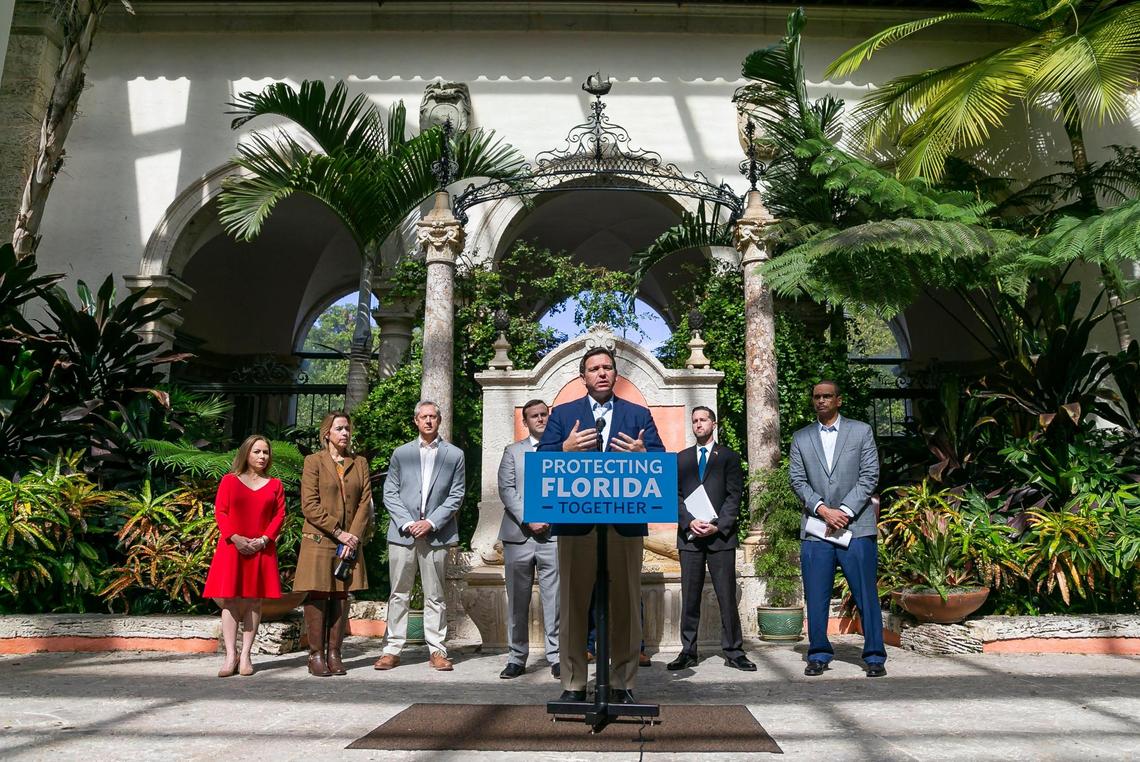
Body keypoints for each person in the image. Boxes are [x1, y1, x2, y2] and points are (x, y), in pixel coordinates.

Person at [538, 346, 664, 705]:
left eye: (607, 367)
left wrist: (643, 455)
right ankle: (574, 684)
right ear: (583, 377)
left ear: (616, 374)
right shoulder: (562, 415)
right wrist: (563, 450)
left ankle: (623, 684)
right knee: (574, 604)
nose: (602, 373)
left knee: (625, 604)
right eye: (594, 368)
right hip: (576, 525)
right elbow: (541, 462)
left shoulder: (638, 414)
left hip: (624, 525)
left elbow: (660, 460)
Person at [789, 380, 885, 678]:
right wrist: (823, 510)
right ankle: (818, 653)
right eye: (817, 396)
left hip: (856, 526)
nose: (821, 401)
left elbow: (870, 474)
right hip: (817, 528)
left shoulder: (861, 431)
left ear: (839, 400)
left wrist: (843, 511)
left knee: (865, 593)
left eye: (827, 396)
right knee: (815, 595)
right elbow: (797, 479)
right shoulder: (801, 437)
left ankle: (873, 656)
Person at [375, 400, 465, 672]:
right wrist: (407, 523)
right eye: (423, 417)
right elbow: (389, 492)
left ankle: (437, 650)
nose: (428, 421)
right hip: (403, 534)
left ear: (439, 420)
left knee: (435, 594)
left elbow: (456, 494)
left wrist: (431, 522)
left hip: (436, 534)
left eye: (433, 417)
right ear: (416, 421)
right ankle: (392, 649)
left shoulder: (454, 455)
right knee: (398, 593)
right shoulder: (401, 453)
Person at [668, 407, 755, 672]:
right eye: (694, 421)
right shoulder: (681, 459)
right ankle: (688, 651)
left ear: (713, 424)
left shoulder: (728, 457)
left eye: (703, 420)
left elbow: (734, 496)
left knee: (726, 595)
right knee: (690, 596)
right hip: (690, 537)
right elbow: (674, 496)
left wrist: (718, 526)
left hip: (721, 538)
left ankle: (734, 651)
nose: (698, 424)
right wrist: (688, 521)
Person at [294, 411, 373, 677]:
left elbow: (365, 502)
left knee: (341, 594)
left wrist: (353, 536)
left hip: (349, 540)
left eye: (347, 429)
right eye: (339, 428)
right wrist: (338, 532)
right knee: (318, 593)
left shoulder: (359, 462)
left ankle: (334, 653)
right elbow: (309, 505)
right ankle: (315, 655)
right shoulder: (313, 461)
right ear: (326, 432)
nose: (345, 433)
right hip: (320, 538)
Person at [203, 435, 286, 677]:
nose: (262, 456)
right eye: (257, 451)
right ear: (246, 454)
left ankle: (247, 655)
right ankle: (230, 655)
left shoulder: (275, 485)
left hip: (261, 548)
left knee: (254, 601)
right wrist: (235, 538)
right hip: (232, 548)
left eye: (266, 452)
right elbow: (221, 511)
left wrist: (263, 540)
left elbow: (279, 516)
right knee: (229, 599)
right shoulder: (229, 481)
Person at [497, 399, 560, 679]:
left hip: (553, 535)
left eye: (544, 415)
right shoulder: (513, 451)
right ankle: (516, 657)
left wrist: (547, 518)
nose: (540, 419)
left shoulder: (561, 451)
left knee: (555, 601)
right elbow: (506, 489)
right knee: (517, 602)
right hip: (518, 536)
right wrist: (529, 517)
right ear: (525, 421)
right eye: (534, 416)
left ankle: (557, 656)